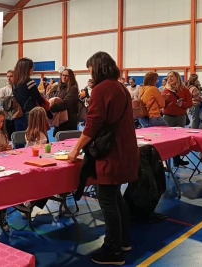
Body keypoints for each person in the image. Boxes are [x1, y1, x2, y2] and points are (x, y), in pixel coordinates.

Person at [68, 51, 139, 265]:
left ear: (98, 68)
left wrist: (76, 150)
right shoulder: (121, 88)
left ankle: (113, 250)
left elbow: (93, 124)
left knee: (107, 200)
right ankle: (123, 241)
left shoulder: (101, 89)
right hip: (125, 148)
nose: (89, 74)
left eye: (90, 69)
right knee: (116, 197)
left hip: (111, 153)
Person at [162, 71, 192, 167]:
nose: (169, 78)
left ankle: (177, 159)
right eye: (168, 77)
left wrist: (182, 104)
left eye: (171, 76)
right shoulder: (165, 90)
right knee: (166, 139)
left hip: (180, 117)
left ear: (177, 77)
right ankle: (165, 161)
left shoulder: (185, 90)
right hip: (168, 117)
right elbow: (162, 104)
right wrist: (164, 102)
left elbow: (190, 104)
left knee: (178, 139)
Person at [12, 58, 50, 134]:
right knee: (35, 136)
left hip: (18, 112)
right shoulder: (29, 82)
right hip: (31, 113)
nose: (33, 69)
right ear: (27, 69)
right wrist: (48, 112)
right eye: (32, 68)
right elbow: (39, 98)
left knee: (19, 137)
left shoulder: (14, 83)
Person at [47, 68, 79, 136]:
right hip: (60, 119)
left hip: (69, 120)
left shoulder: (73, 88)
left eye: (66, 76)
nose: (64, 77)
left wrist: (50, 108)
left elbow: (65, 104)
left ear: (71, 77)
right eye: (63, 75)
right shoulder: (59, 88)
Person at [0, 70, 15, 140]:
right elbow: (1, 102)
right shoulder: (3, 90)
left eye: (11, 76)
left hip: (17, 117)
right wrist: (11, 99)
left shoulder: (19, 89)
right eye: (7, 76)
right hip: (7, 117)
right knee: (7, 137)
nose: (9, 78)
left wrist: (8, 99)